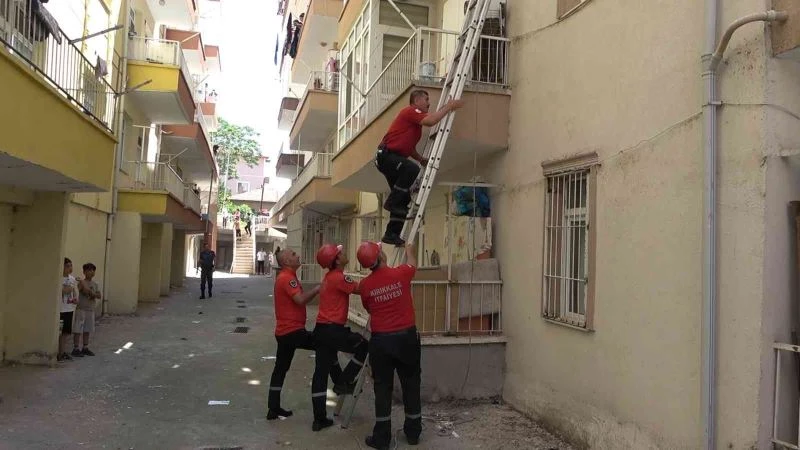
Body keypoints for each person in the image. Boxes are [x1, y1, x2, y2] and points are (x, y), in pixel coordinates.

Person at [376, 90, 464, 246]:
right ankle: (391, 202)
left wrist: (420, 159)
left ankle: (391, 234)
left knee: (403, 199)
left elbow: (408, 148)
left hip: (393, 158)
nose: (429, 103)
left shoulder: (413, 124)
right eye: (426, 99)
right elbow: (431, 121)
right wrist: (449, 107)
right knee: (411, 170)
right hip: (387, 156)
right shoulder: (411, 111)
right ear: (416, 100)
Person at [357, 241, 421, 449]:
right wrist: (409, 251)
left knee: (382, 388)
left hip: (381, 342)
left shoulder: (365, 286)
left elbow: (369, 308)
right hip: (406, 339)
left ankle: (382, 437)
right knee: (411, 384)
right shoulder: (401, 273)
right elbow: (413, 264)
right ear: (381, 256)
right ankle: (413, 433)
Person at [267, 248, 340, 421]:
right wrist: (317, 289)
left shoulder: (285, 277)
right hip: (292, 331)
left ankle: (273, 408)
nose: (298, 256)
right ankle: (340, 381)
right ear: (286, 261)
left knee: (280, 370)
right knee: (326, 344)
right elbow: (300, 299)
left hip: (284, 332)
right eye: (293, 255)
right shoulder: (287, 278)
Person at [310, 244, 369, 431]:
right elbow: (359, 289)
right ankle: (343, 382)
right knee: (364, 347)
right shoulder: (338, 277)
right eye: (340, 253)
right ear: (336, 260)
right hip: (332, 329)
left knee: (320, 373)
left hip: (321, 330)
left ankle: (319, 419)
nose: (344, 254)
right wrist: (378, 275)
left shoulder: (329, 278)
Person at [72, 263, 101, 358]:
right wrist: (84, 286)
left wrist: (92, 293)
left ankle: (85, 347)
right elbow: (83, 291)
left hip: (90, 309)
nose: (91, 272)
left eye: (93, 270)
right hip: (81, 309)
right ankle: (76, 348)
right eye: (89, 270)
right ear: (84, 272)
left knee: (87, 329)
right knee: (78, 329)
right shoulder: (81, 283)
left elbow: (99, 295)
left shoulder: (95, 284)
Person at [58, 258, 79, 362]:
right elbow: (64, 291)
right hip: (60, 310)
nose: (70, 268)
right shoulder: (59, 279)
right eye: (67, 266)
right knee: (59, 332)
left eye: (71, 265)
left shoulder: (72, 279)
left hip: (69, 309)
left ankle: (62, 352)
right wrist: (67, 289)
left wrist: (75, 298)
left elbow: (73, 291)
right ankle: (58, 353)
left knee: (66, 332)